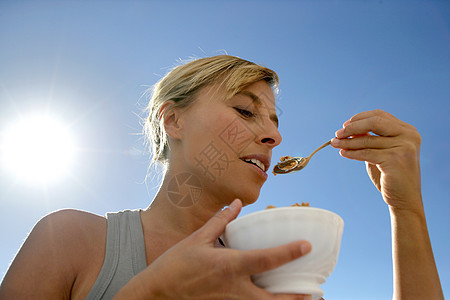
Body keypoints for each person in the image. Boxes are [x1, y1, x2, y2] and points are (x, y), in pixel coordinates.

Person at [0, 55, 443, 300]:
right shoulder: (70, 240)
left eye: (273, 119)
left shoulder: (272, 270)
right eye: (246, 110)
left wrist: (406, 208)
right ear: (172, 120)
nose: (273, 134)